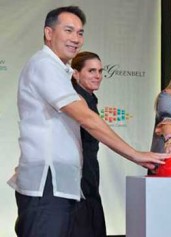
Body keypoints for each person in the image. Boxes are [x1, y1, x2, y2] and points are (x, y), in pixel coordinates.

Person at [7, 6, 167, 237]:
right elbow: (86, 118)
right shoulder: (44, 65)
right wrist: (135, 154)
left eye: (80, 33)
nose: (76, 39)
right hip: (46, 184)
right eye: (69, 30)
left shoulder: (58, 69)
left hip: (62, 185)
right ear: (49, 33)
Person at [69, 51, 106, 236]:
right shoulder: (75, 99)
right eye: (91, 71)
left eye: (100, 71)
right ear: (76, 74)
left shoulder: (90, 98)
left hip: (90, 174)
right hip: (78, 178)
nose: (98, 76)